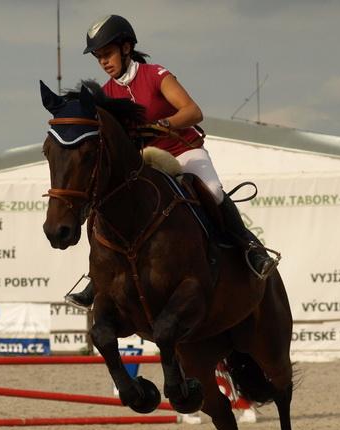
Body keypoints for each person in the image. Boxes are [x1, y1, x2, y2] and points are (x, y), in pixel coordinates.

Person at [66, 14, 278, 309]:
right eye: (99, 57)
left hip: (182, 150)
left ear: (126, 48)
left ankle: (250, 249)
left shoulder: (155, 75)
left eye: (108, 53)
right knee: (108, 203)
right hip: (146, 161)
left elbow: (193, 111)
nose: (103, 62)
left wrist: (162, 124)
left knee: (213, 191)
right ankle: (97, 277)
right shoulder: (108, 93)